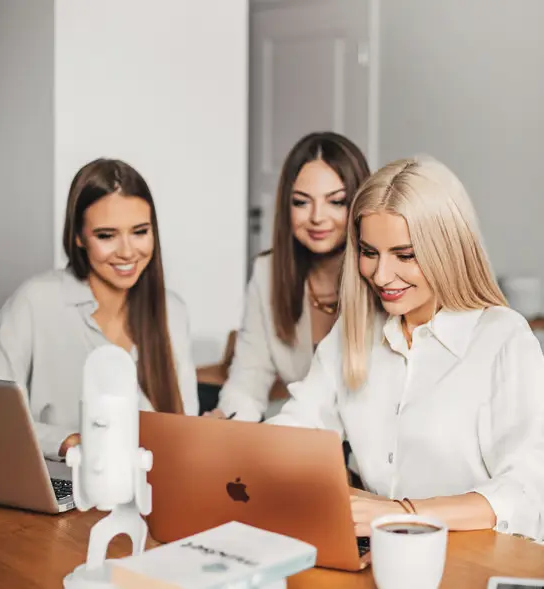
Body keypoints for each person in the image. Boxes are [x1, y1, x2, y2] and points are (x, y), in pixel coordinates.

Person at [269, 156, 544, 540]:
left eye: (405, 255)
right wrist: (242, 458)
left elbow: (527, 491)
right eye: (369, 253)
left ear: (446, 250)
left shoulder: (503, 339)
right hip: (379, 546)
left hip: (473, 553)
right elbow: (297, 429)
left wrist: (404, 514)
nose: (381, 276)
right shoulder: (356, 330)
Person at [0, 158, 198, 460]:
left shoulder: (172, 311)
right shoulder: (36, 301)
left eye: (140, 231)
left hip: (152, 483)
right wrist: (64, 442)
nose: (127, 252)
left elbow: (185, 428)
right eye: (106, 235)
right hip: (61, 481)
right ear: (79, 237)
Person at [209, 131, 370, 421]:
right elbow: (248, 380)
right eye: (301, 202)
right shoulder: (267, 273)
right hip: (300, 435)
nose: (317, 217)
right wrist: (228, 420)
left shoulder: (380, 274)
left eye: (336, 201)